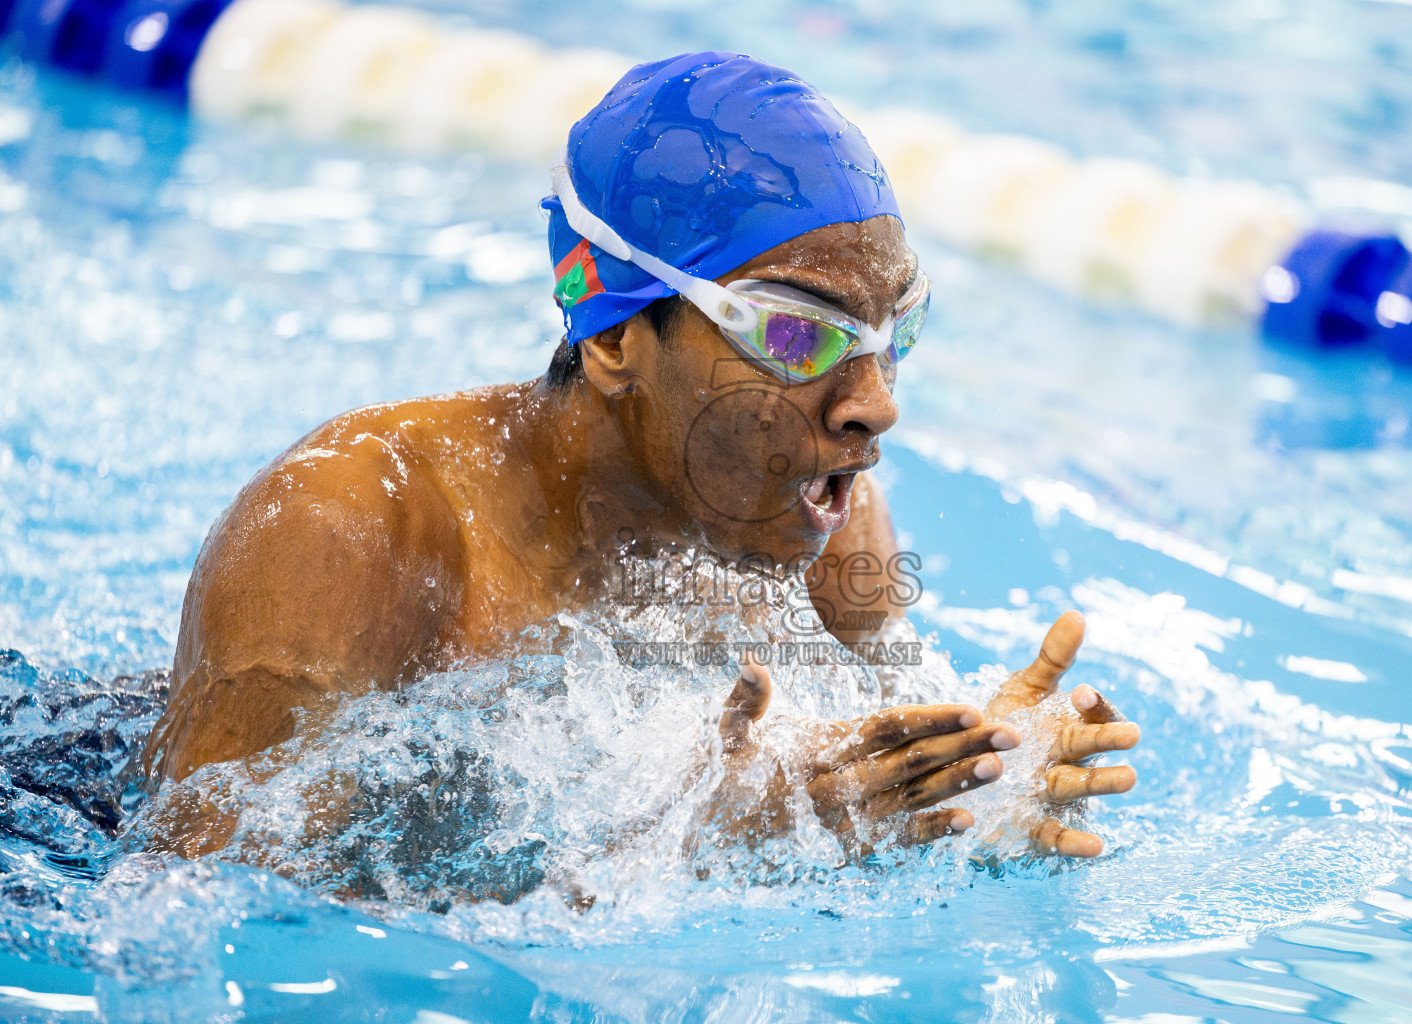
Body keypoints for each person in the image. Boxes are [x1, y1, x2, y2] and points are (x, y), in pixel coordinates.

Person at [144, 52, 1140, 864]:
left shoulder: (823, 514)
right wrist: (694, 836)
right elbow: (208, 901)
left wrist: (974, 780)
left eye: (894, 333)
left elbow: (854, 772)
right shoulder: (351, 534)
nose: (875, 406)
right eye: (799, 335)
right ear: (617, 338)